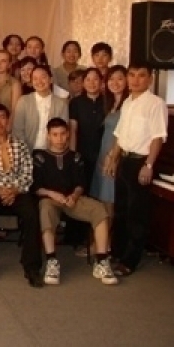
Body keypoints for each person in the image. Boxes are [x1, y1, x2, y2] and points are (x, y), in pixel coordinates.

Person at [33, 117, 118, 285]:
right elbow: (36, 187)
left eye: (62, 134)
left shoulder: (76, 157)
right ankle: (52, 261)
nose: (59, 138)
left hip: (72, 199)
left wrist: (74, 196)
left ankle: (101, 260)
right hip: (50, 199)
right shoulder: (39, 157)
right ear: (48, 136)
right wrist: (52, 194)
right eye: (55, 134)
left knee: (99, 210)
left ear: (68, 135)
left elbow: (81, 184)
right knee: (45, 209)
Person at [104, 62, 168, 277]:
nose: (135, 79)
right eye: (131, 75)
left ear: (150, 79)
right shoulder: (128, 102)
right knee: (121, 210)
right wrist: (113, 159)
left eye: (141, 75)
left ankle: (130, 261)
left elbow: (158, 137)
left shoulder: (156, 104)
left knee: (136, 214)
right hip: (124, 160)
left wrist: (149, 165)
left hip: (141, 162)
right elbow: (120, 134)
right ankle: (118, 252)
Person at [0, 103, 43, 287]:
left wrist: (14, 190)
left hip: (17, 190)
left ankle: (31, 266)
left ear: (8, 120)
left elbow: (28, 175)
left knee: (32, 213)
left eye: (2, 117)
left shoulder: (20, 145)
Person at [67, 67, 105, 249]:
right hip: (82, 153)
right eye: (88, 79)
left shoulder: (107, 102)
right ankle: (78, 238)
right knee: (81, 192)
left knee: (99, 196)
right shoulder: (76, 103)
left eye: (95, 79)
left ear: (102, 82)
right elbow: (73, 129)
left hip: (103, 154)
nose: (91, 83)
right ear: (82, 83)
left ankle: (98, 238)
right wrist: (73, 155)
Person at [89, 66, 128, 236]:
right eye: (111, 79)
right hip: (102, 154)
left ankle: (106, 243)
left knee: (109, 201)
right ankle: (100, 240)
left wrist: (112, 157)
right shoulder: (110, 103)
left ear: (127, 81)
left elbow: (124, 134)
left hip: (114, 156)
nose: (115, 82)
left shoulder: (128, 104)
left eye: (120, 78)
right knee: (101, 200)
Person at [12, 65, 68, 152]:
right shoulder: (23, 101)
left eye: (43, 77)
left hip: (52, 153)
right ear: (31, 82)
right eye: (35, 78)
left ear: (51, 79)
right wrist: (25, 153)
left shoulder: (61, 104)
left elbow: (63, 131)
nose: (39, 81)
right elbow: (17, 131)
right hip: (26, 152)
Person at [0, 50, 21, 130]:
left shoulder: (15, 83)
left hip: (7, 127)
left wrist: (8, 128)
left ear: (9, 65)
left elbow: (15, 110)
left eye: (3, 61)